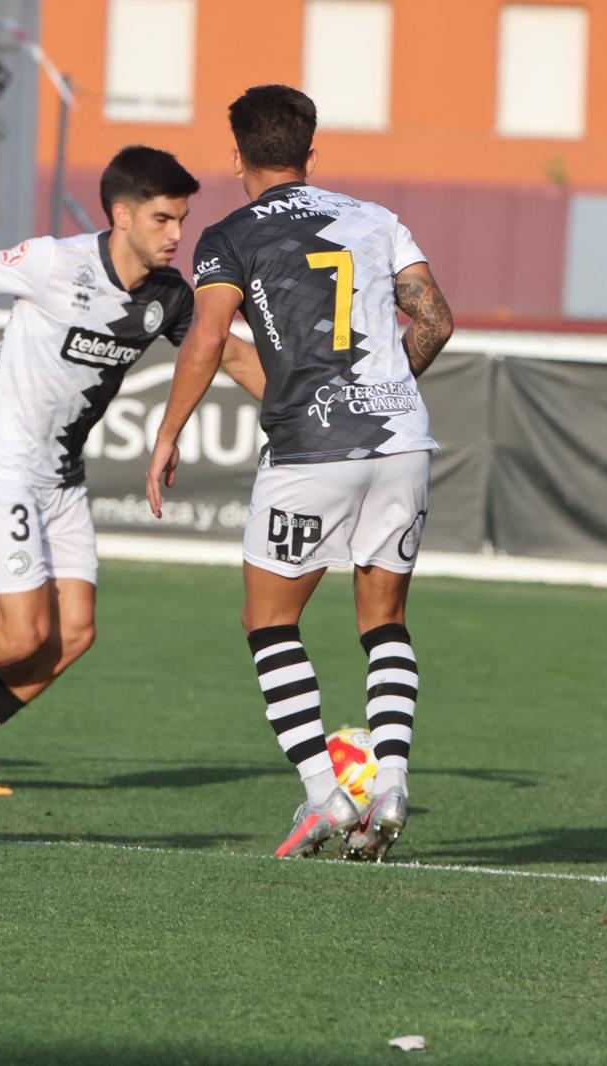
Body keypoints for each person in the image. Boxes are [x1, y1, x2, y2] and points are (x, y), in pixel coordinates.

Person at [0, 146, 264, 794]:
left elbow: (228, 353)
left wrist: (307, 412)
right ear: (121, 215)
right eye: (163, 219)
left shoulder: (169, 296)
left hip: (62, 479)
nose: (177, 235)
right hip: (1, 464)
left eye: (182, 220)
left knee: (76, 632)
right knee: (21, 634)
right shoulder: (54, 263)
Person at [145, 86, 455, 862]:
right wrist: (384, 395)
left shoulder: (227, 236)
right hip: (401, 442)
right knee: (383, 621)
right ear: (311, 154)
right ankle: (389, 782)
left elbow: (208, 338)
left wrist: (168, 432)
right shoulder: (377, 219)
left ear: (237, 156)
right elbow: (437, 319)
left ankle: (323, 794)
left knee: (269, 622)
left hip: (311, 449)